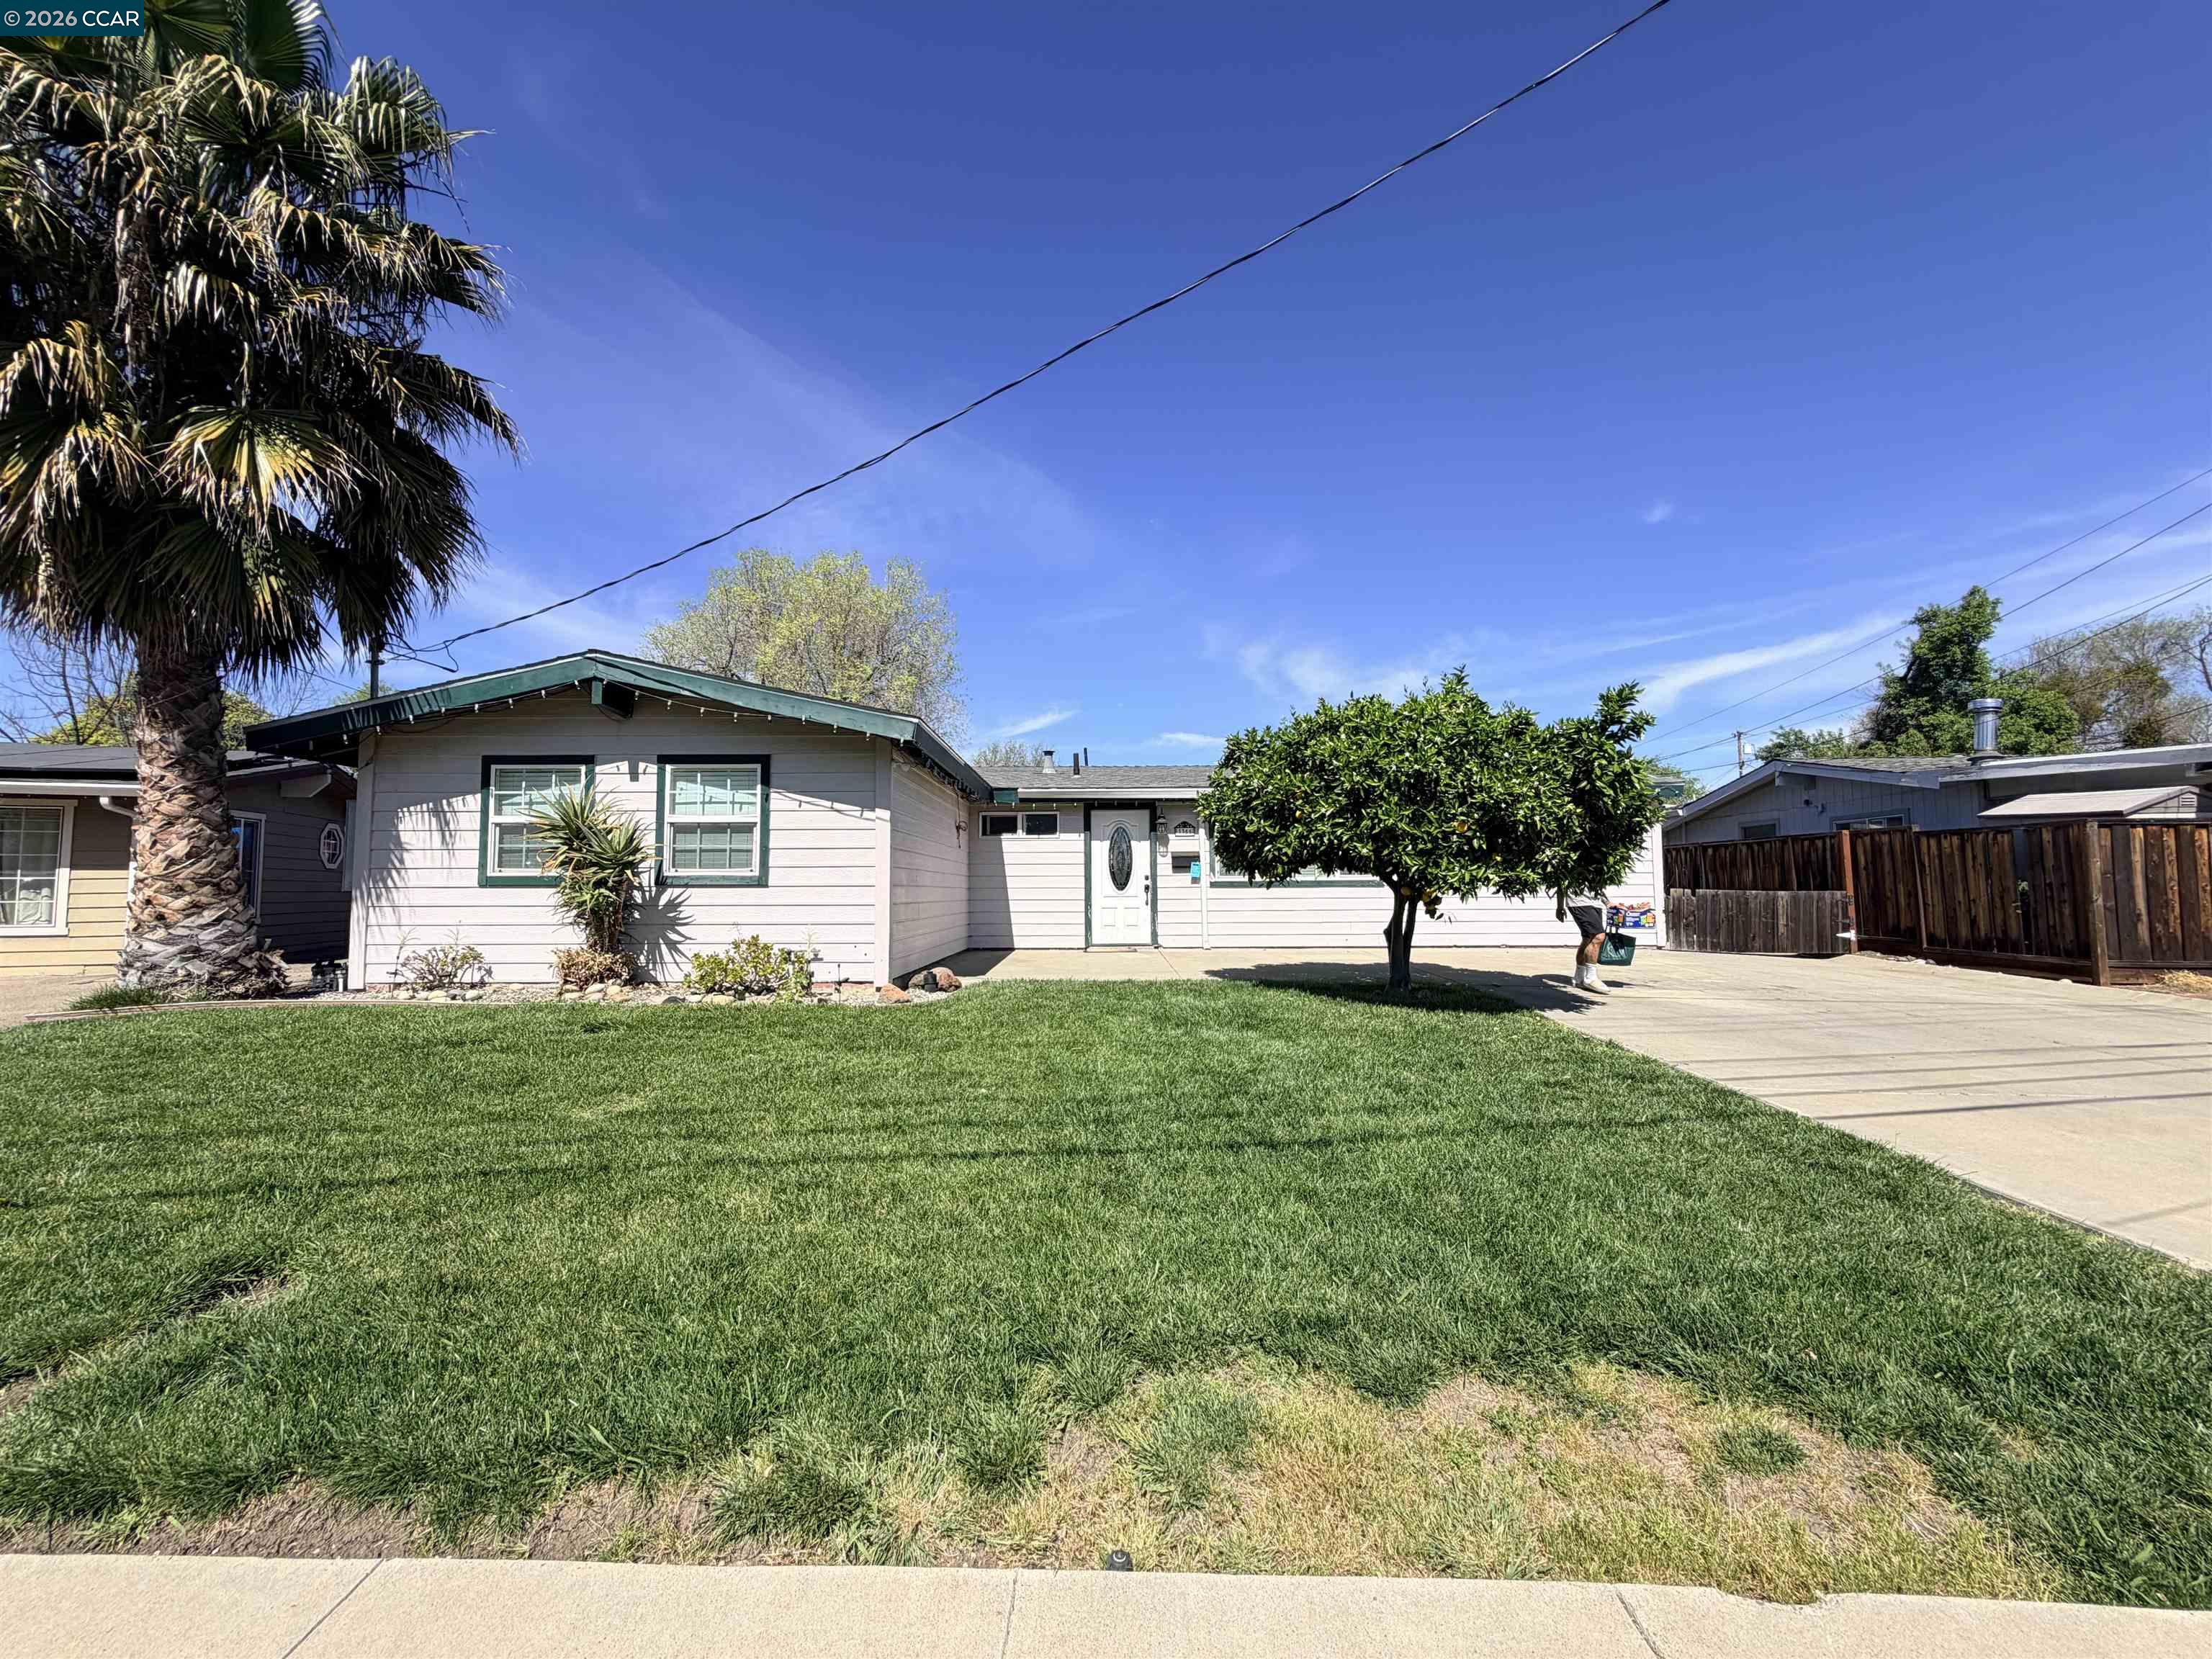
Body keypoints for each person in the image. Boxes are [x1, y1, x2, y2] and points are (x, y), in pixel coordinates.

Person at [1557, 890, 1609, 993]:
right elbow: (1561, 882)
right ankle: (1591, 978)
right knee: (1598, 936)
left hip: (1595, 902)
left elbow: (1598, 885)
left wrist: (1606, 902)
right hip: (1579, 902)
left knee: (1588, 938)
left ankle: (1579, 978)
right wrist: (1560, 906)